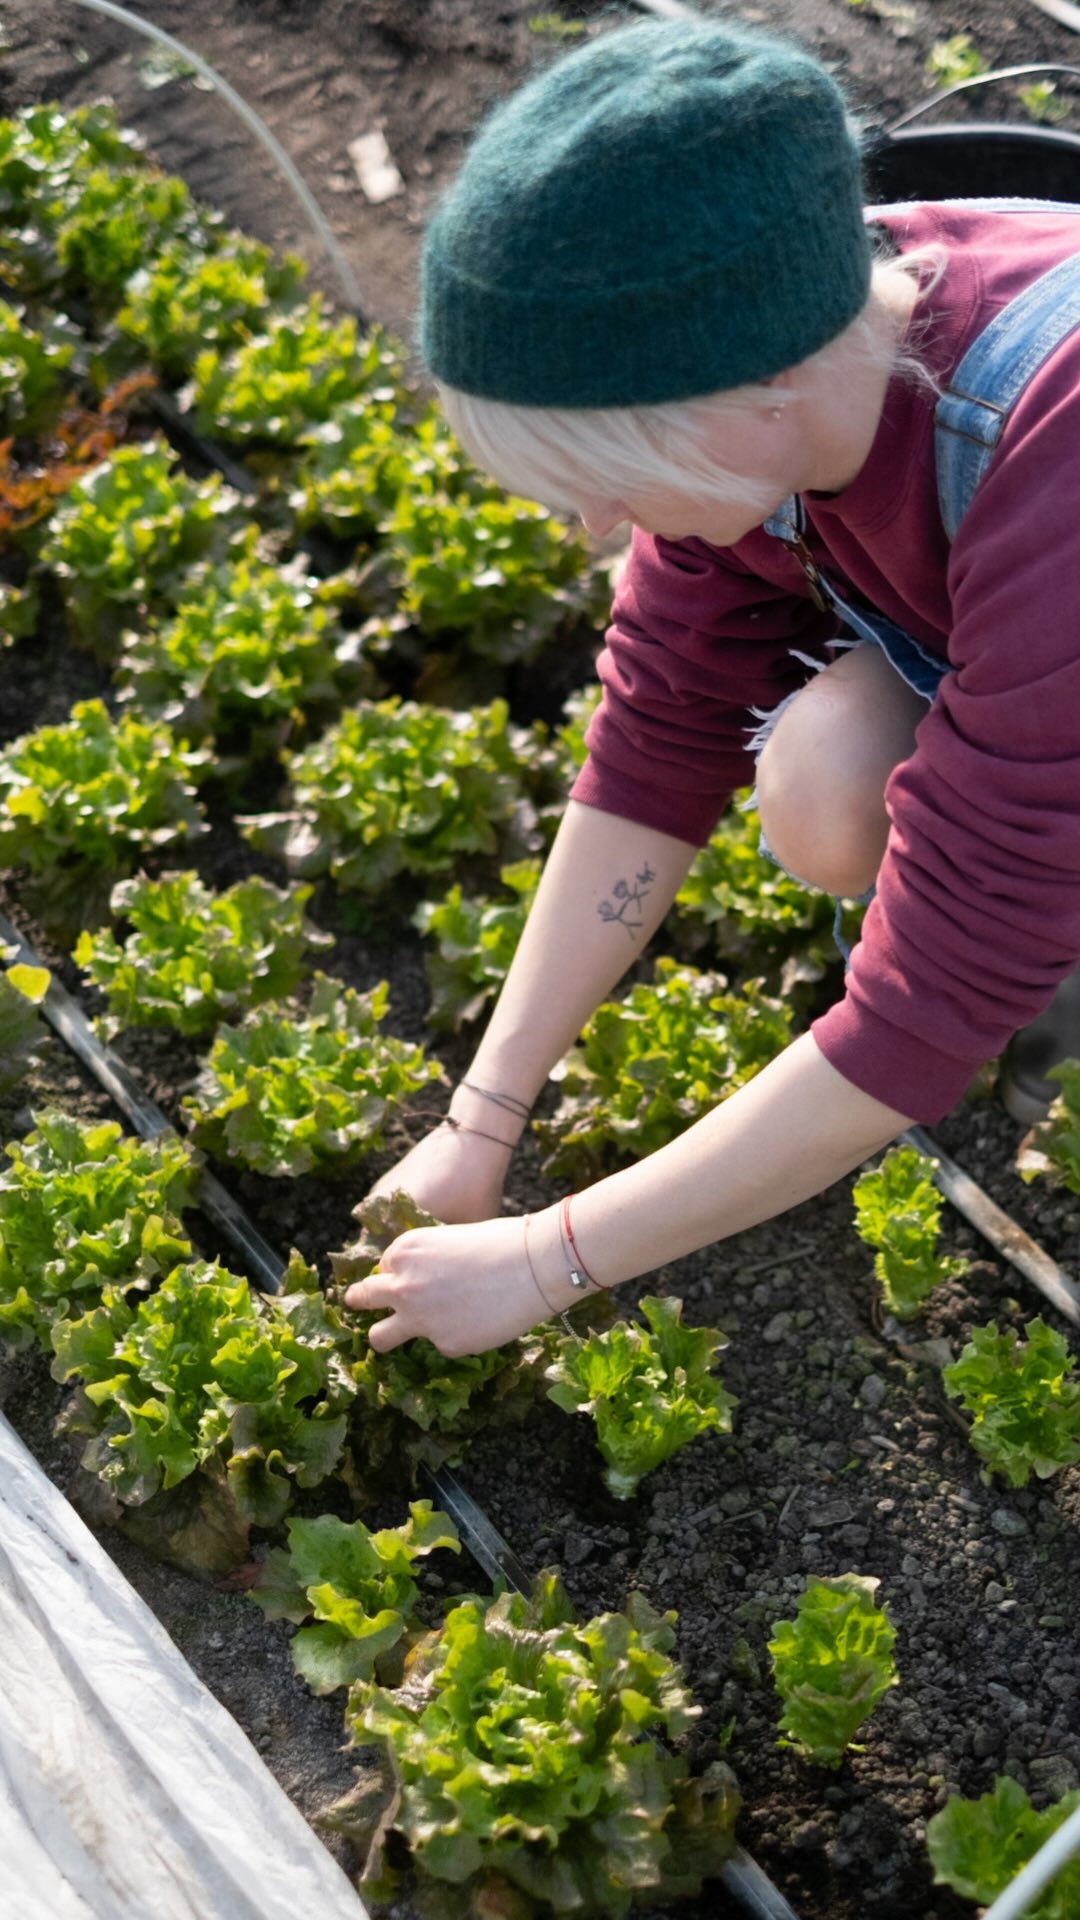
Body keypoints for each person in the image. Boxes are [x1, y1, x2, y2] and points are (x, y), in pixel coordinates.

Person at [343, 15, 1080, 1357]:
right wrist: (481, 1123)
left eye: (611, 471)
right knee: (822, 781)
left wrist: (546, 1260)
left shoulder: (1056, 443)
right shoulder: (795, 349)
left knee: (989, 928)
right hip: (1045, 665)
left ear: (755, 393)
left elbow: (923, 1015)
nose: (593, 527)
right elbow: (658, 733)